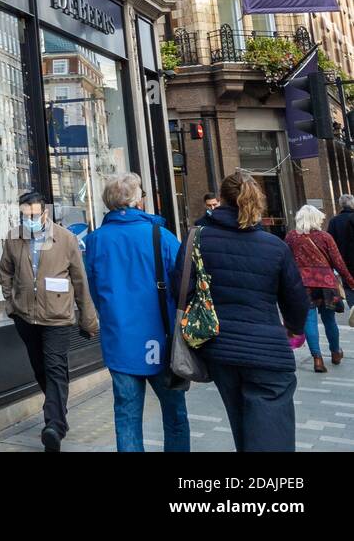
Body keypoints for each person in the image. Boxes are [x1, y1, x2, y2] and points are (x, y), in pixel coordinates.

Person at [173, 170, 308, 453]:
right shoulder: (275, 246)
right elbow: (296, 299)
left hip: (220, 348)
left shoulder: (197, 239)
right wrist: (294, 329)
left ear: (221, 199)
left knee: (241, 423)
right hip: (268, 351)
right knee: (272, 431)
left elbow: (180, 289)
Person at [84, 172, 189, 452]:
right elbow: (183, 285)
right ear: (136, 200)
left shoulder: (96, 241)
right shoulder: (161, 236)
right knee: (175, 414)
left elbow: (94, 291)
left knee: (127, 417)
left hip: (120, 338)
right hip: (161, 339)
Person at [0, 190, 99, 452]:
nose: (28, 220)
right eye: (24, 215)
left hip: (57, 317)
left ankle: (54, 425)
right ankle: (58, 411)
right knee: (41, 368)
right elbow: (5, 271)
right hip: (26, 317)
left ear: (44, 212)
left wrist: (88, 318)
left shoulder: (65, 239)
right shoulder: (13, 238)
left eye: (33, 214)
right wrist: (11, 303)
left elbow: (80, 280)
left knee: (54, 367)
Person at [285, 204, 354, 372]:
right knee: (329, 320)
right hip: (326, 284)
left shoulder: (291, 237)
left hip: (303, 285)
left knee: (309, 321)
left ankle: (317, 359)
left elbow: (285, 261)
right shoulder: (325, 237)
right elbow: (338, 261)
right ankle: (336, 352)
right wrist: (350, 281)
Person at [327, 194, 354, 275]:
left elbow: (330, 241)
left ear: (341, 204)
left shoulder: (334, 221)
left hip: (342, 259)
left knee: (347, 284)